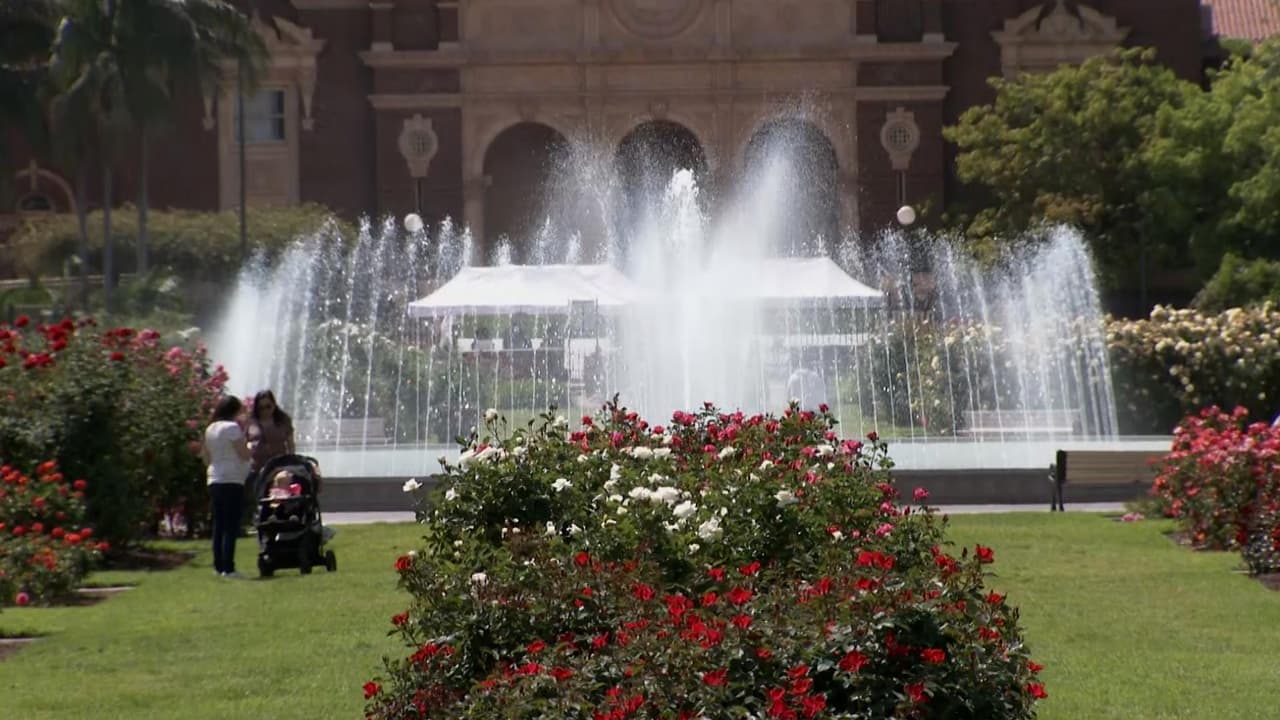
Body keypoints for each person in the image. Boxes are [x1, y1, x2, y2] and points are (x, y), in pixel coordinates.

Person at [202, 395, 252, 578]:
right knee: (231, 525)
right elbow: (244, 453)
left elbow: (206, 456)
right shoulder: (232, 428)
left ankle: (218, 566)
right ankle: (229, 567)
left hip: (214, 478)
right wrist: (249, 444)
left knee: (219, 524)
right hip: (231, 478)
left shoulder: (210, 429)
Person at [246, 390, 295, 496]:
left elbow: (290, 443)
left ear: (274, 404)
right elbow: (245, 442)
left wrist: (291, 461)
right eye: (261, 408)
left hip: (279, 466)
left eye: (268, 406)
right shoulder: (250, 422)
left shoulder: (283, 420)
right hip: (257, 467)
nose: (265, 411)